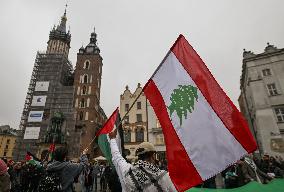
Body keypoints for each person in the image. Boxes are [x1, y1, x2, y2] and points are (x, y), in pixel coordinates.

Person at [109, 129, 177, 192]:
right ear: (153, 156)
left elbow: (117, 157)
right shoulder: (163, 176)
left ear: (138, 156)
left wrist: (112, 139)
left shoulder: (127, 170)